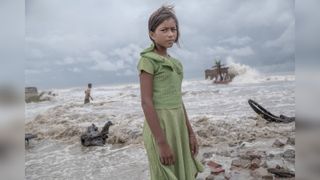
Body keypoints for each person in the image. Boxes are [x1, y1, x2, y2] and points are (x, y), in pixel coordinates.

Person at [137, 5, 203, 180]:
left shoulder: (176, 64)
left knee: (183, 171)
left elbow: (178, 100)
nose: (170, 34)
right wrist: (161, 142)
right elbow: (146, 102)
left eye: (173, 29)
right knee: (165, 174)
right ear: (152, 34)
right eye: (164, 30)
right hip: (160, 126)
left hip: (178, 124)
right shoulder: (148, 61)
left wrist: (190, 132)